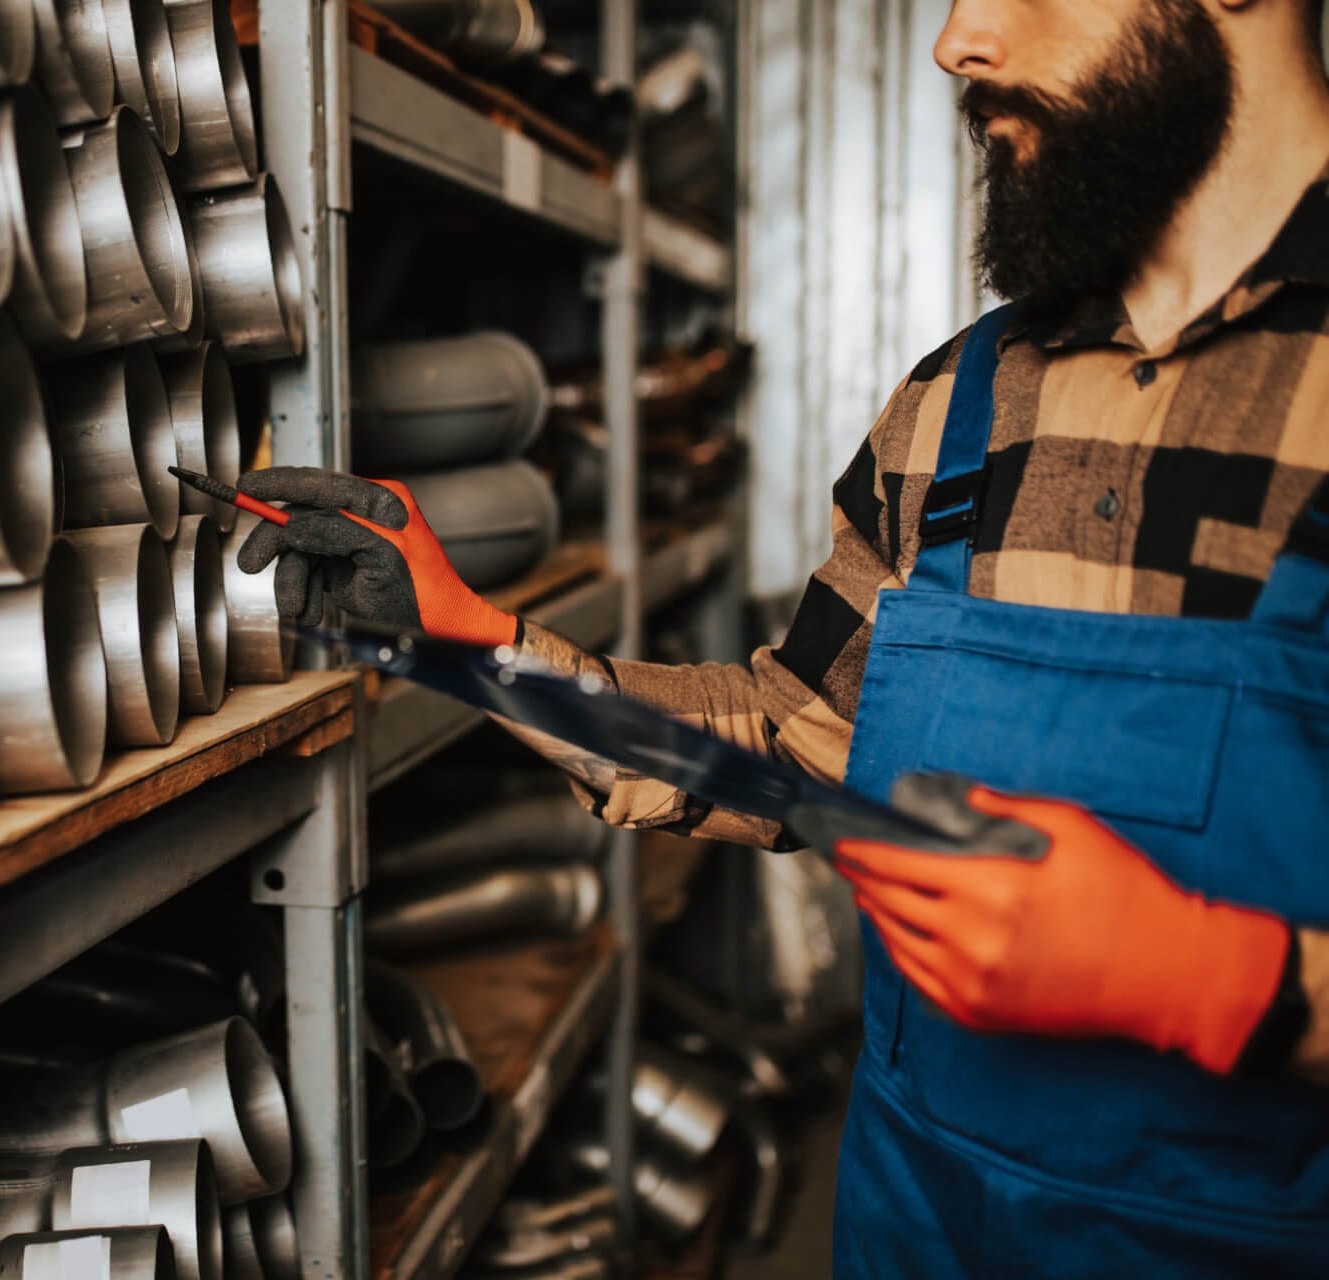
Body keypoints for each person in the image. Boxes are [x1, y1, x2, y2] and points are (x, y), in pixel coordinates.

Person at [236, 0, 1329, 1273]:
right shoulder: (956, 407)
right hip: (917, 1229)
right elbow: (791, 749)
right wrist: (468, 642)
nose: (956, 42)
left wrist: (1207, 975)